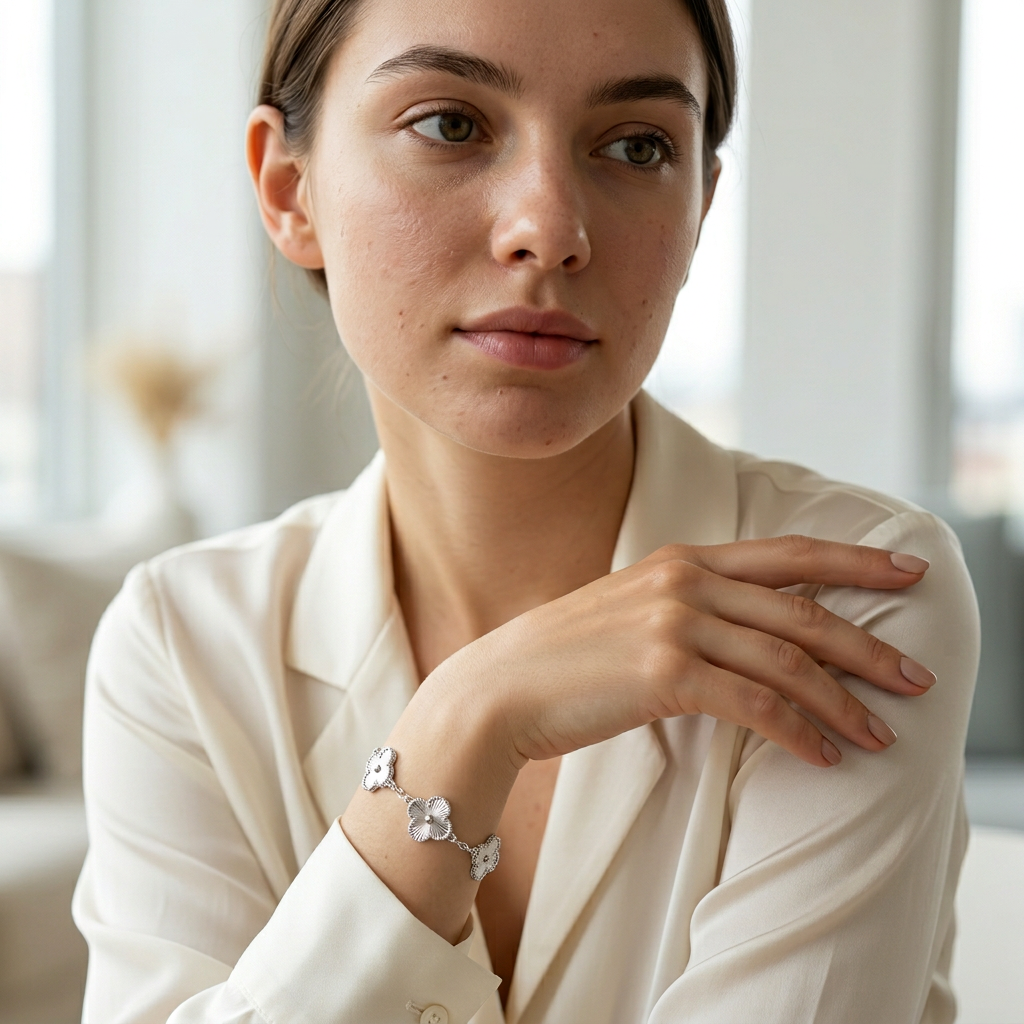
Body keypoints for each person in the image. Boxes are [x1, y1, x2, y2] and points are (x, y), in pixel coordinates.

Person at [72, 0, 979, 1021]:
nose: (549, 228)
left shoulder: (848, 598)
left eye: (637, 147)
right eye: (450, 124)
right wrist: (468, 725)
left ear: (698, 214)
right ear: (290, 190)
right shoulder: (181, 642)